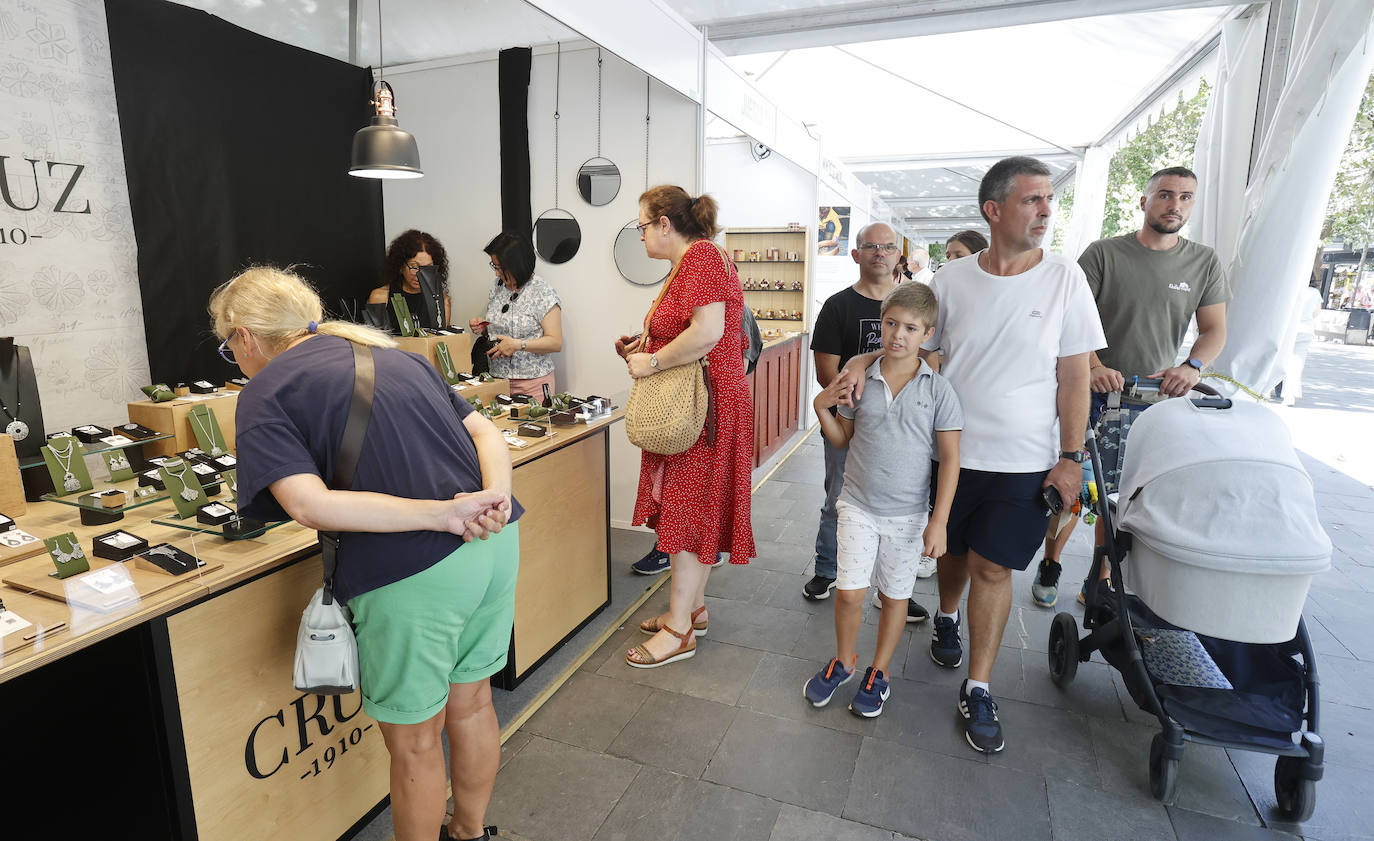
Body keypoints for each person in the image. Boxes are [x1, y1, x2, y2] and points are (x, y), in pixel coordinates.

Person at [212, 267, 518, 841]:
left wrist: (440, 514)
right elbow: (487, 434)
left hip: (413, 570)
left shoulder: (265, 392)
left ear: (247, 336)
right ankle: (470, 831)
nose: (236, 356)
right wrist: (492, 499)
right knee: (473, 704)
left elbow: (307, 504)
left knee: (417, 743)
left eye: (230, 345)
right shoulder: (396, 355)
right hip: (493, 545)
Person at [837, 156, 1105, 753]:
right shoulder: (951, 282)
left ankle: (979, 685)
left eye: (1048, 201)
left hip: (1025, 459)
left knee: (994, 566)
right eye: (1032, 200)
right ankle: (948, 617)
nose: (1045, 211)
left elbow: (1074, 377)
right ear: (994, 209)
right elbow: (919, 350)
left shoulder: (1065, 278)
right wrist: (860, 362)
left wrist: (1070, 455)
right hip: (944, 451)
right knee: (953, 552)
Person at [1030, 166, 1229, 609]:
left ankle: (1098, 578)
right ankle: (1051, 563)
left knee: (1123, 496)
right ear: (1144, 201)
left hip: (1154, 401)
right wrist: (1094, 364)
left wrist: (1193, 366)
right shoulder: (1103, 254)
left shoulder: (1203, 262)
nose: (1174, 204)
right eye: (1164, 194)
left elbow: (1214, 329)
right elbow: (1068, 316)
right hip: (1093, 393)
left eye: (1185, 197)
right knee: (1076, 486)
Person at [803, 282, 961, 718]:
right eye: (891, 323)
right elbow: (843, 441)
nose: (898, 335)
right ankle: (845, 661)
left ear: (926, 333)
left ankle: (880, 671)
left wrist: (939, 520)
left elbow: (950, 460)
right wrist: (822, 409)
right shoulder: (860, 380)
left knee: (895, 598)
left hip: (908, 516)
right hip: (856, 504)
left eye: (910, 328)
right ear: (880, 325)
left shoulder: (938, 391)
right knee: (850, 595)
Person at [618, 185, 755, 668]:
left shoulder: (700, 259)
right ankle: (691, 609)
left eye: (641, 225)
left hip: (705, 411)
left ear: (663, 223)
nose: (640, 236)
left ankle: (679, 631)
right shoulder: (694, 262)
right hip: (703, 404)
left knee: (689, 513)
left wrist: (652, 361)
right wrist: (645, 344)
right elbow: (697, 329)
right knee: (695, 510)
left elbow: (709, 332)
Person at [804, 223, 932, 624]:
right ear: (856, 254)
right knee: (839, 498)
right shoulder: (838, 307)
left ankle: (894, 588)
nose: (880, 253)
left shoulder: (914, 308)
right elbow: (826, 370)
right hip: (850, 419)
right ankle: (828, 569)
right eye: (870, 247)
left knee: (904, 507)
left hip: (904, 429)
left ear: (900, 256)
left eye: (888, 247)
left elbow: (929, 361)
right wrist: (853, 405)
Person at [469, 231, 563, 400]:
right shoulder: (498, 286)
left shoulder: (542, 292)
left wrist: (518, 345)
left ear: (516, 264)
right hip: (497, 379)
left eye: (499, 268)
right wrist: (483, 326)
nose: (497, 273)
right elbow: (500, 326)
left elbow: (555, 342)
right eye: (494, 266)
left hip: (533, 383)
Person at [368, 229, 451, 331]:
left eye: (428, 268)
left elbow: (442, 341)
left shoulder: (442, 302)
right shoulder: (380, 297)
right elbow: (374, 341)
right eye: (414, 267)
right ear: (401, 265)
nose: (420, 274)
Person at [1280, 280, 1324, 406]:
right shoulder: (1314, 292)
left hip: (1287, 329)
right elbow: (1316, 313)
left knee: (1278, 360)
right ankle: (1290, 396)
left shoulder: (1290, 288)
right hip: (1305, 329)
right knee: (1296, 364)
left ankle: (1267, 390)